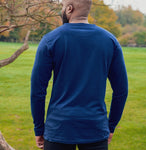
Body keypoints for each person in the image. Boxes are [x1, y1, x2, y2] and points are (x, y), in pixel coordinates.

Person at [30, 0, 128, 149]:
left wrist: (39, 129)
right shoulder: (110, 41)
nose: (61, 10)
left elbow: (37, 91)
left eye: (62, 7)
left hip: (59, 129)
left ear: (69, 9)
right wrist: (111, 126)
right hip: (95, 128)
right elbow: (121, 90)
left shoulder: (50, 40)